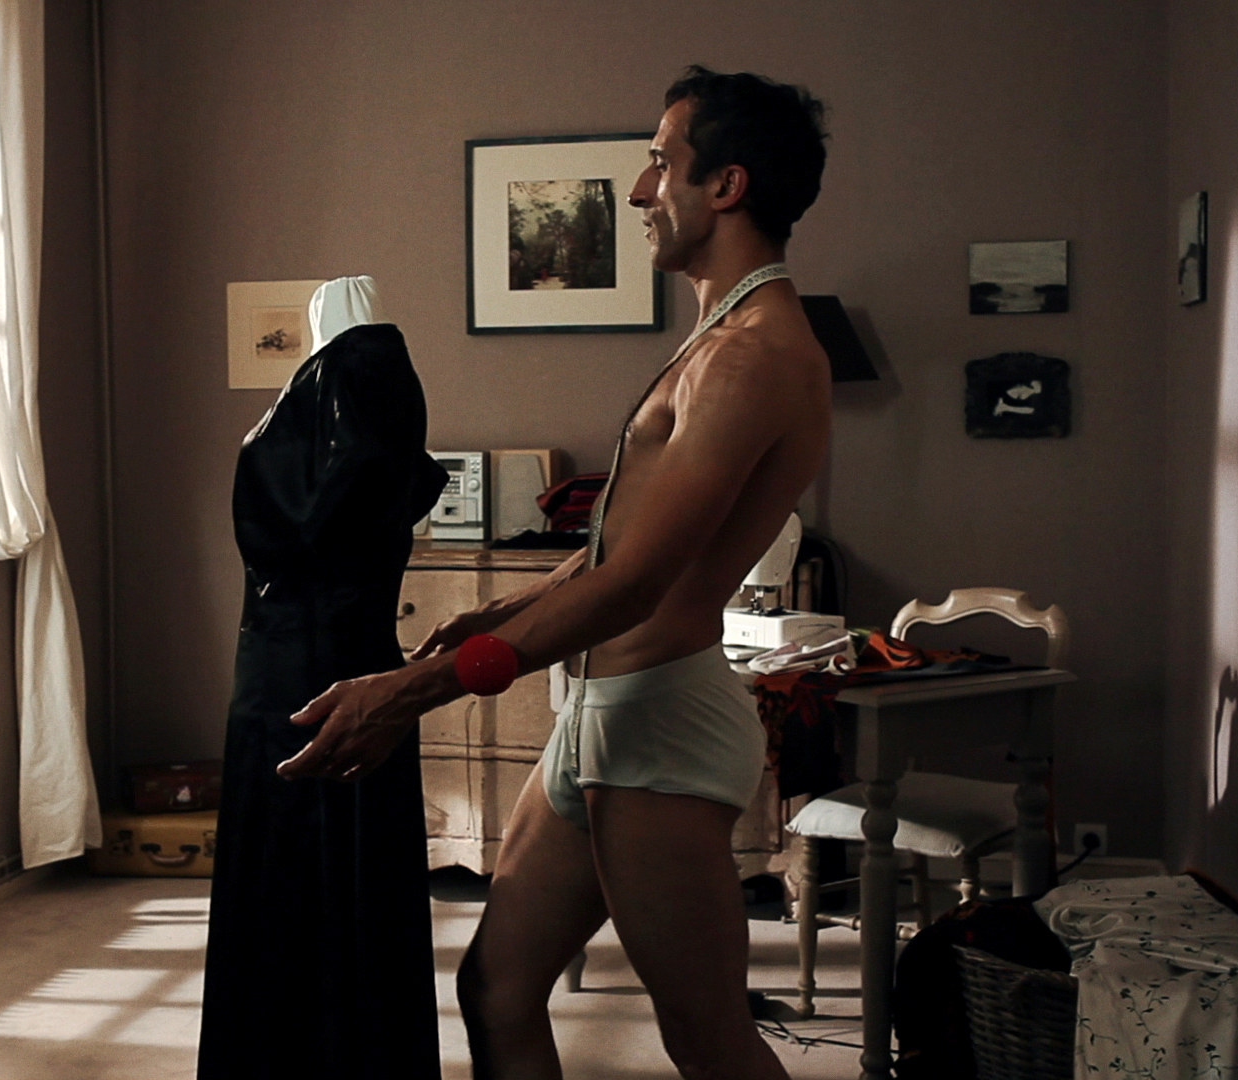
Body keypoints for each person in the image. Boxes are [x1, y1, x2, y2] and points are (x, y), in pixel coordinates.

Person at [277, 69, 831, 1080]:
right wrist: (507, 605)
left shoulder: (753, 356)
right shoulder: (715, 338)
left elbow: (635, 587)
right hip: (599, 718)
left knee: (706, 1038)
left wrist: (410, 689)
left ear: (727, 185)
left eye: (659, 162)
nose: (639, 190)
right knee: (495, 990)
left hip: (659, 729)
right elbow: (619, 541)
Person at [197, 277, 448, 1080]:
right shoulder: (373, 388)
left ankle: (303, 1054)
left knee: (305, 863)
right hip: (333, 650)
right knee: (332, 866)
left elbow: (307, 529)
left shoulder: (356, 379)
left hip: (303, 662)